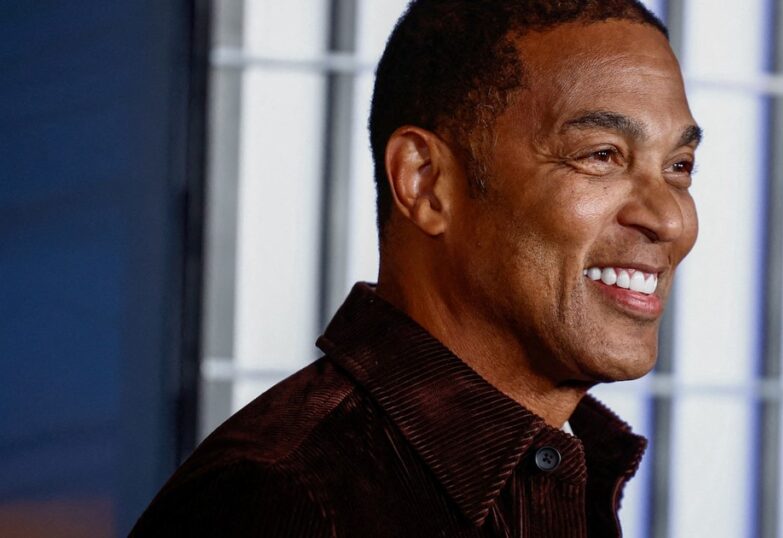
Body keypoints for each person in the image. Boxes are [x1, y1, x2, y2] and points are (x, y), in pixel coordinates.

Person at [130, 0, 700, 536]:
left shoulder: (571, 472)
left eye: (679, 166)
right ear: (425, 181)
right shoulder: (279, 499)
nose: (670, 220)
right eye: (601, 156)